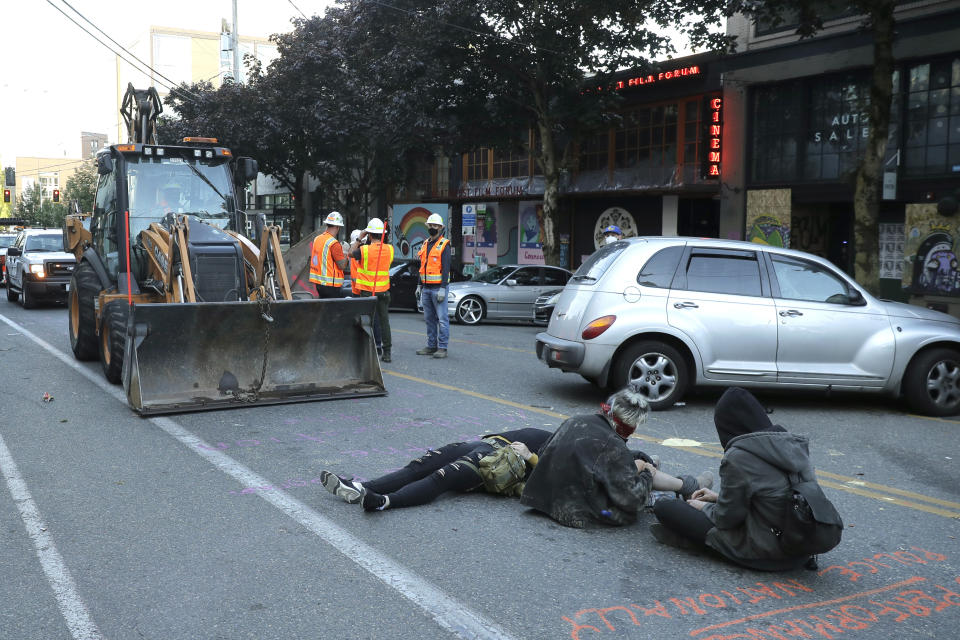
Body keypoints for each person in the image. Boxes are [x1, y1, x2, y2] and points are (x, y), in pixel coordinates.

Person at [650, 386, 820, 571]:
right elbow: (775, 498)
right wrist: (717, 498)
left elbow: (726, 519)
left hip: (767, 552)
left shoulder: (740, 456)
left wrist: (705, 506)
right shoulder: (791, 445)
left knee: (665, 506)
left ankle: (707, 545)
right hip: (801, 546)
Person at [520, 385, 712, 528]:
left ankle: (687, 485)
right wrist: (645, 472)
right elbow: (632, 500)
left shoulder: (576, 421)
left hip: (543, 498)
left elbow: (545, 454)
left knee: (640, 459)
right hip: (576, 511)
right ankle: (686, 487)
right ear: (628, 425)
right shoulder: (612, 446)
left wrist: (635, 463)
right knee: (645, 474)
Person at [320, 428, 554, 511]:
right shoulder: (568, 435)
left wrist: (531, 457)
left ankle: (382, 501)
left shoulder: (568, 455)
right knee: (420, 465)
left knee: (442, 477)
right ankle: (360, 487)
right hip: (485, 443)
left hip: (499, 461)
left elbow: (556, 480)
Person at [350, 217, 394, 362]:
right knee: (384, 321)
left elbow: (350, 253)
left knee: (366, 321)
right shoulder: (390, 249)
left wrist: (358, 238)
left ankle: (367, 351)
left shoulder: (364, 250)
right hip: (383, 291)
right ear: (383, 234)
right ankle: (387, 353)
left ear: (369, 235)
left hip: (367, 291)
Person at [416, 213, 451, 359]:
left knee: (442, 319)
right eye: (430, 225)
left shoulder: (444, 244)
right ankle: (431, 346)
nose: (432, 228)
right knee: (429, 319)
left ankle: (442, 348)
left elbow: (446, 267)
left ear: (441, 228)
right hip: (426, 288)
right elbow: (422, 266)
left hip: (438, 288)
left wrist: (443, 287)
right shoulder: (425, 244)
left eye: (435, 226)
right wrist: (419, 285)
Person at [309, 211, 349, 299]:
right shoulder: (334, 243)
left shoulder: (317, 239)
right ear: (338, 227)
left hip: (319, 284)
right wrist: (346, 253)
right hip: (331, 285)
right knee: (333, 311)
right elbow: (342, 266)